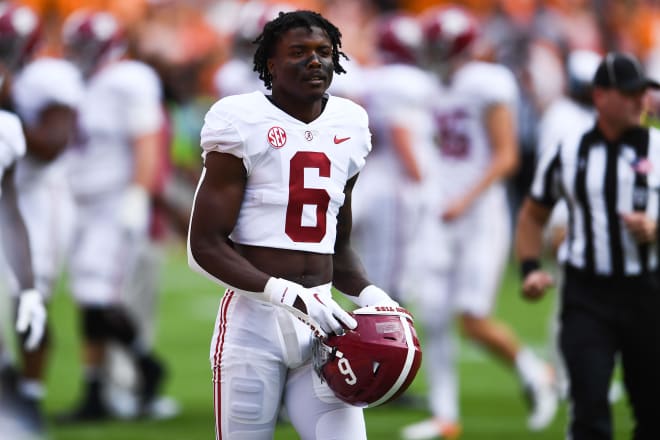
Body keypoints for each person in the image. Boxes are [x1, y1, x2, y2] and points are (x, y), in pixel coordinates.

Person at [187, 10, 400, 439]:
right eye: (298, 53)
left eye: (324, 52)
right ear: (271, 63)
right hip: (254, 323)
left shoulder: (351, 124)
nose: (314, 62)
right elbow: (203, 246)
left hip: (326, 328)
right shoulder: (239, 120)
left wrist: (373, 295)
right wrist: (285, 293)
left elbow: (336, 246)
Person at [401, 7, 557, 440]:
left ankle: (535, 371)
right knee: (431, 313)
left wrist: (462, 198)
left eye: (438, 48)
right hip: (442, 213)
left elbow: (507, 155)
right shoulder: (435, 86)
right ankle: (445, 416)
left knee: (472, 316)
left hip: (479, 214)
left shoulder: (487, 82)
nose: (431, 56)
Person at [516, 52, 660, 440]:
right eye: (630, 93)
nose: (639, 102)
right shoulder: (568, 150)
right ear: (600, 97)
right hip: (586, 295)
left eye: (642, 93)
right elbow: (533, 213)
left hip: (647, 291)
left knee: (652, 406)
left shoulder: (658, 148)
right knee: (589, 403)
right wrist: (530, 268)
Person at [56, 9, 168, 422]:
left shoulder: (129, 79)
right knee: (87, 297)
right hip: (79, 202)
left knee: (98, 296)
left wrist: (138, 196)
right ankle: (100, 389)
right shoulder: (77, 81)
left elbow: (147, 140)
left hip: (112, 202)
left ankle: (141, 369)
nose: (80, 54)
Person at [351, 12, 437, 305]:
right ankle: (376, 343)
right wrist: (420, 177)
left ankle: (359, 340)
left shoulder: (372, 77)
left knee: (371, 273)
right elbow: (399, 130)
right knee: (390, 281)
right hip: (396, 184)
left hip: (375, 178)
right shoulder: (405, 81)